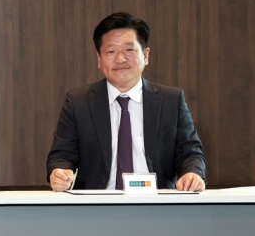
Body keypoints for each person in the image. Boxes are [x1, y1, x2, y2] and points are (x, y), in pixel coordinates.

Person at [47, 12, 206, 192]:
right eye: (111, 51)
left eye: (129, 50)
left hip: (157, 201)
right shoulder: (78, 102)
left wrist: (193, 173)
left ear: (145, 55)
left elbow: (191, 153)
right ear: (99, 59)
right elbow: (61, 156)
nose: (120, 59)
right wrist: (59, 172)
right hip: (97, 203)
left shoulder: (171, 100)